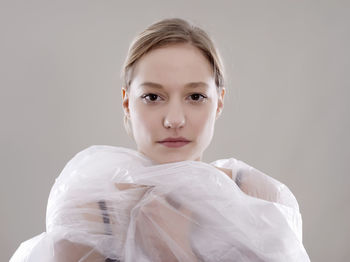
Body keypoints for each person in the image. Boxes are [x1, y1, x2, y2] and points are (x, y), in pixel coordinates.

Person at [10, 18, 310, 261]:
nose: (174, 119)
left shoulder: (258, 196)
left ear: (218, 103)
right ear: (127, 103)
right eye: (153, 97)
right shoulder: (92, 212)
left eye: (196, 96)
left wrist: (174, 250)